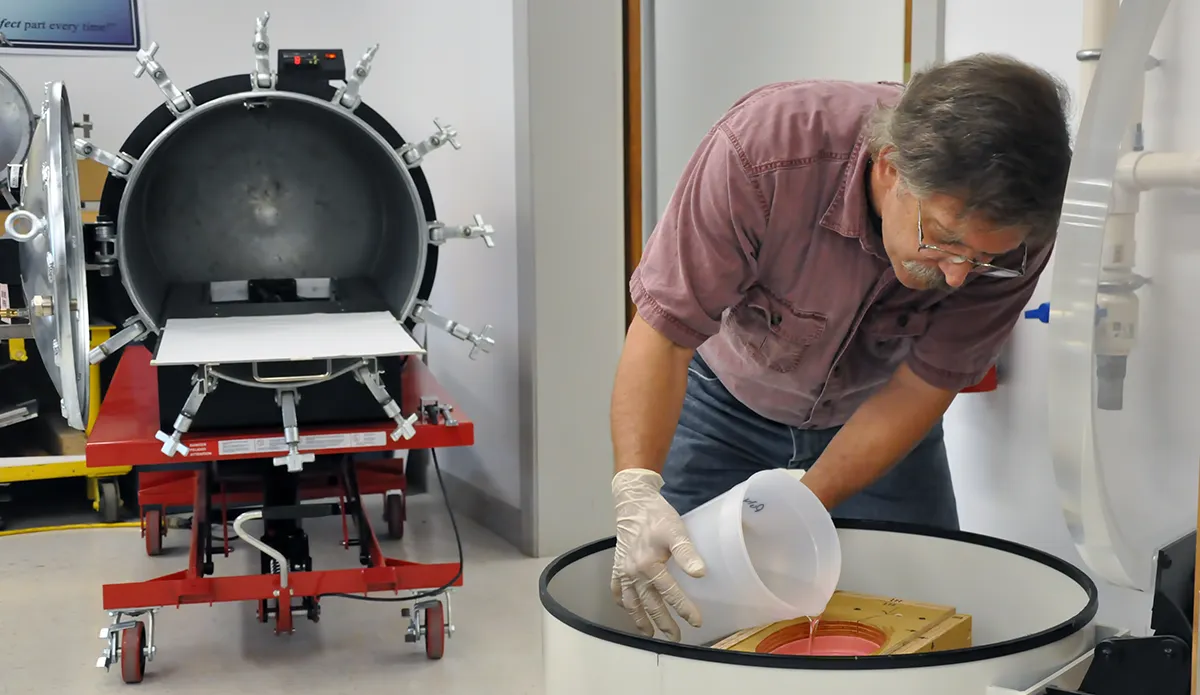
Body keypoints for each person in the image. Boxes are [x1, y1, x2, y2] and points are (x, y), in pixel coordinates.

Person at [609, 54, 1073, 642]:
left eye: (984, 259)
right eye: (944, 240)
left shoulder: (1019, 234)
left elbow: (925, 383)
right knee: (685, 611)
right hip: (724, 402)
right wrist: (636, 489)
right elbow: (665, 331)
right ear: (891, 167)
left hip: (879, 410)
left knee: (922, 621)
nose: (959, 276)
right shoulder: (765, 152)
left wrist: (797, 512)